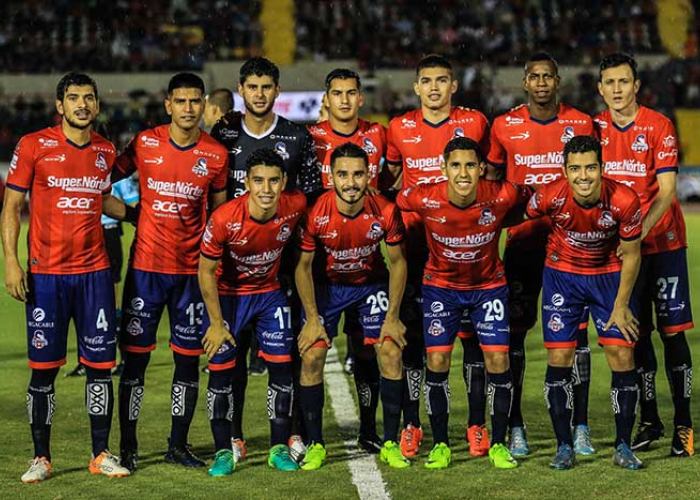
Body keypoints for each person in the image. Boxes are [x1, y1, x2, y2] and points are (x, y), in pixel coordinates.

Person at [1, 72, 130, 482]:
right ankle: (41, 456)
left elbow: (105, 197)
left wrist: (147, 217)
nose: (82, 105)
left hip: (94, 275)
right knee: (44, 368)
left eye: (88, 98)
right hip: (47, 276)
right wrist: (11, 260)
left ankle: (100, 453)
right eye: (73, 98)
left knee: (100, 367)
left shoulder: (105, 151)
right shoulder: (34, 145)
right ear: (60, 105)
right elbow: (11, 207)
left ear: (96, 104)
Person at [113, 72, 229, 473]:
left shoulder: (215, 154)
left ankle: (177, 445)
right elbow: (100, 179)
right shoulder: (145, 144)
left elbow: (219, 214)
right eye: (181, 101)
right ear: (168, 105)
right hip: (146, 270)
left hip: (191, 275)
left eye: (195, 101)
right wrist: (132, 215)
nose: (188, 108)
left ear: (202, 105)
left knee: (186, 362)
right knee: (135, 363)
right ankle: (127, 446)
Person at [211, 56, 323, 463]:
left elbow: (308, 199)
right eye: (252, 87)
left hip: (283, 266)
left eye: (266, 87)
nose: (259, 94)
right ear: (241, 90)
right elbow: (215, 194)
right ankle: (235, 435)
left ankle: (289, 432)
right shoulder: (223, 133)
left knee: (285, 354)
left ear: (277, 91)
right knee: (232, 358)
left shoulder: (297, 136)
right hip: (231, 270)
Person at [397, 137, 531, 470]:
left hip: (488, 288)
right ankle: (441, 444)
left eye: (470, 165)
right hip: (441, 288)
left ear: (481, 168)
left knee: (498, 361)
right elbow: (392, 202)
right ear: (443, 169)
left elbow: (531, 199)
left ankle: (497, 443)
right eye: (455, 165)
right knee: (438, 360)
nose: (463, 173)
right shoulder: (424, 197)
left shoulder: (502, 194)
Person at [487, 52, 596, 456]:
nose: (542, 83)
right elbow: (495, 185)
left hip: (572, 249)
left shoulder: (582, 123)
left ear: (558, 81)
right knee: (516, 338)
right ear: (525, 82)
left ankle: (580, 425)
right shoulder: (504, 126)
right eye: (534, 76)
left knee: (576, 341)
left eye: (548, 76)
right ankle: (516, 425)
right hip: (523, 246)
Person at [386, 54, 491, 458]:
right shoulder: (399, 128)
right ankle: (413, 424)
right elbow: (391, 179)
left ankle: (476, 425)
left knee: (472, 341)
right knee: (417, 342)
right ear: (416, 88)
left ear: (454, 86)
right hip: (416, 248)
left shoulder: (476, 123)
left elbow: (487, 175)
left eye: (442, 80)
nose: (433, 88)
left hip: (466, 247)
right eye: (426, 81)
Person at [595, 52, 694, 457]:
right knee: (636, 336)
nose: (617, 90)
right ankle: (650, 420)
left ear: (636, 85)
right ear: (600, 89)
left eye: (624, 82)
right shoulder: (593, 129)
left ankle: (684, 424)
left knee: (673, 334)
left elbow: (668, 190)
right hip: (621, 253)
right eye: (610, 83)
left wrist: (636, 234)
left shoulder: (658, 125)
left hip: (663, 244)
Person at [526, 134, 644, 470]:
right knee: (560, 356)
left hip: (608, 275)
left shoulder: (624, 199)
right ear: (565, 170)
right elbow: (514, 215)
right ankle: (564, 446)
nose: (583, 176)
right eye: (575, 169)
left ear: (601, 168)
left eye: (590, 167)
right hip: (562, 275)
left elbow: (632, 255)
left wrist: (621, 305)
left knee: (622, 354)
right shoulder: (550, 196)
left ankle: (623, 445)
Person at [296, 143, 408, 470]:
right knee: (313, 353)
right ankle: (316, 444)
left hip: (370, 285)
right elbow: (302, 267)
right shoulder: (315, 212)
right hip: (326, 288)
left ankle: (388, 441)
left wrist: (392, 318)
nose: (351, 182)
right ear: (331, 177)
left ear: (369, 174)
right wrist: (312, 318)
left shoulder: (385, 210)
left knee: (390, 351)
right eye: (342, 174)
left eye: (358, 174)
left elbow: (398, 263)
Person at [198, 148, 307, 475]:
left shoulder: (295, 205)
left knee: (281, 372)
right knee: (221, 376)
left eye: (274, 181)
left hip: (269, 295)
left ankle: (278, 447)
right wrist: (216, 324)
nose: (266, 189)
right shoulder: (224, 219)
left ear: (284, 181)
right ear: (246, 182)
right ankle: (222, 451)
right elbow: (204, 271)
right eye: (258, 180)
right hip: (229, 297)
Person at [307, 68, 388, 453]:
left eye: (350, 92)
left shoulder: (378, 135)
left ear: (360, 98)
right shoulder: (310, 139)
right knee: (309, 350)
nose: (343, 100)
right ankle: (306, 435)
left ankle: (371, 430)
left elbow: (390, 186)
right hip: (321, 266)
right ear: (327, 99)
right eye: (336, 93)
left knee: (368, 351)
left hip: (368, 268)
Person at [65, 175, 140, 378]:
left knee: (111, 302)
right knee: (83, 303)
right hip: (84, 234)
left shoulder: (117, 176)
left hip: (109, 233)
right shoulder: (85, 170)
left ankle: (124, 359)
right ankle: (85, 361)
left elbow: (134, 204)